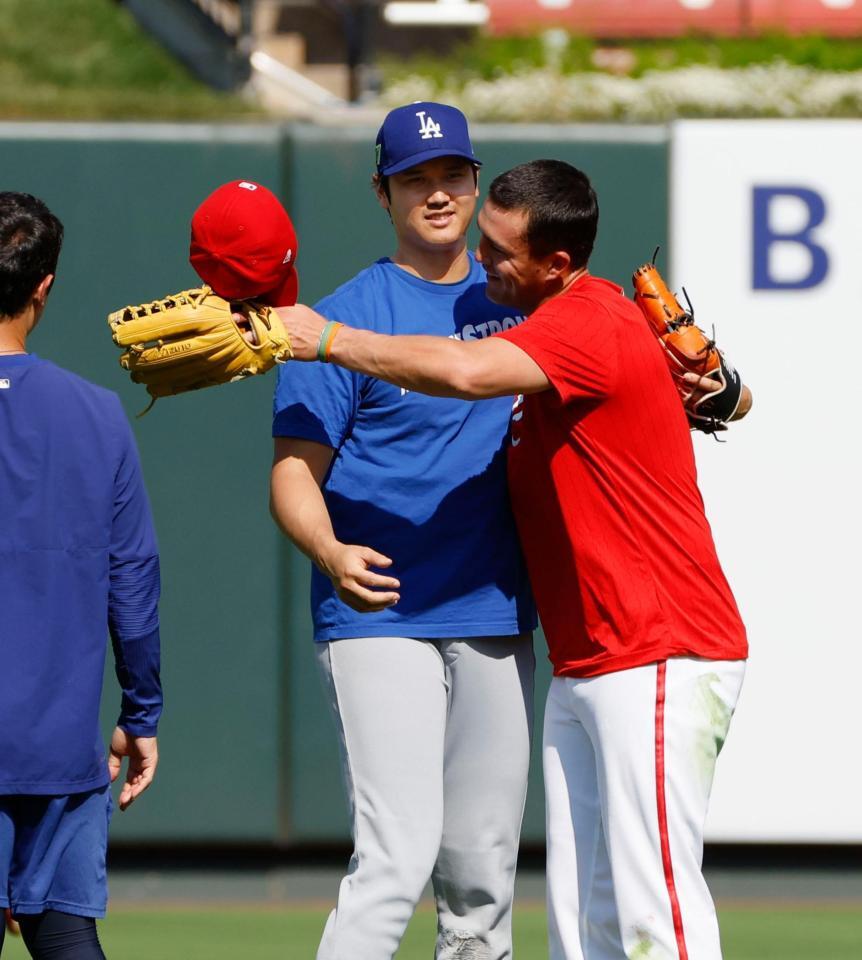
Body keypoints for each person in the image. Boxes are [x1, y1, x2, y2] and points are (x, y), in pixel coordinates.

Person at [278, 159, 750, 960]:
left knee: (652, 913)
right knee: (584, 919)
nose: (480, 256)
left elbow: (462, 371)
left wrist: (325, 339)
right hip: (589, 659)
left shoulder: (583, 321)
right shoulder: (551, 334)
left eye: (500, 251)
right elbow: (721, 394)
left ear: (555, 265)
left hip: (659, 646)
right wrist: (726, 388)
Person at [265, 104, 536, 960]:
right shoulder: (342, 314)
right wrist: (328, 548)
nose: (437, 193)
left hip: (492, 607)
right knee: (397, 855)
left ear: (476, 182)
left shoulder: (521, 301)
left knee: (483, 874)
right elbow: (293, 473)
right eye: (415, 178)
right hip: (379, 608)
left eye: (451, 174)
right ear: (384, 193)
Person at [0, 193, 162, 960]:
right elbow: (133, 586)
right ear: (45, 286)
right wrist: (143, 711)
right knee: (64, 934)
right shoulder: (100, 416)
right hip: (58, 748)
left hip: (51, 749)